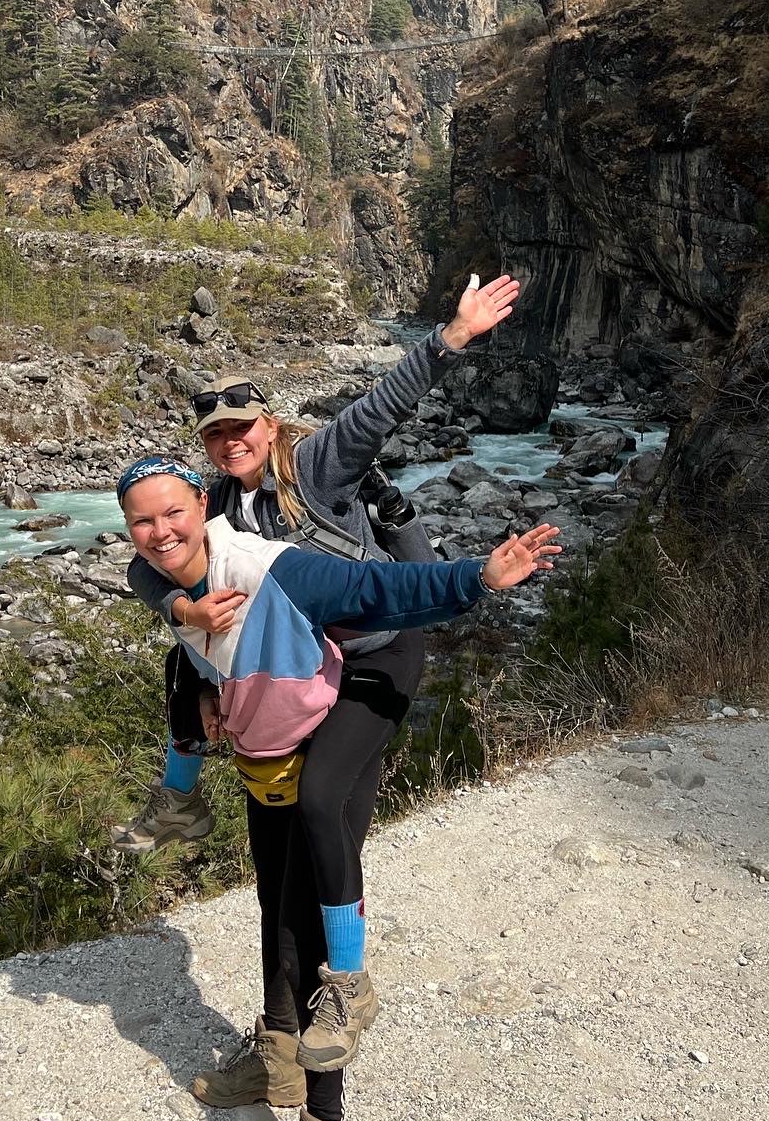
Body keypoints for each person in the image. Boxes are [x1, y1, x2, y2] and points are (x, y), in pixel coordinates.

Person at [115, 455, 561, 1121]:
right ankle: (276, 1056)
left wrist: (477, 578)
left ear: (203, 506)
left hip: (332, 724)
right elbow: (142, 576)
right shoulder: (175, 567)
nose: (159, 533)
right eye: (142, 521)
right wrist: (183, 624)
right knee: (270, 904)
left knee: (308, 923)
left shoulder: (279, 557)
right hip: (267, 743)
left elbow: (379, 590)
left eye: (172, 514)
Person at [113, 273, 521, 872]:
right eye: (216, 434)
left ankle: (339, 940)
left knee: (324, 802)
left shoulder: (314, 467)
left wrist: (452, 336)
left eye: (242, 426)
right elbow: (143, 570)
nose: (231, 442)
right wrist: (183, 611)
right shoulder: (216, 504)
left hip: (373, 643)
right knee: (183, 660)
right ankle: (181, 798)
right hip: (305, 659)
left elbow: (378, 409)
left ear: (269, 427)